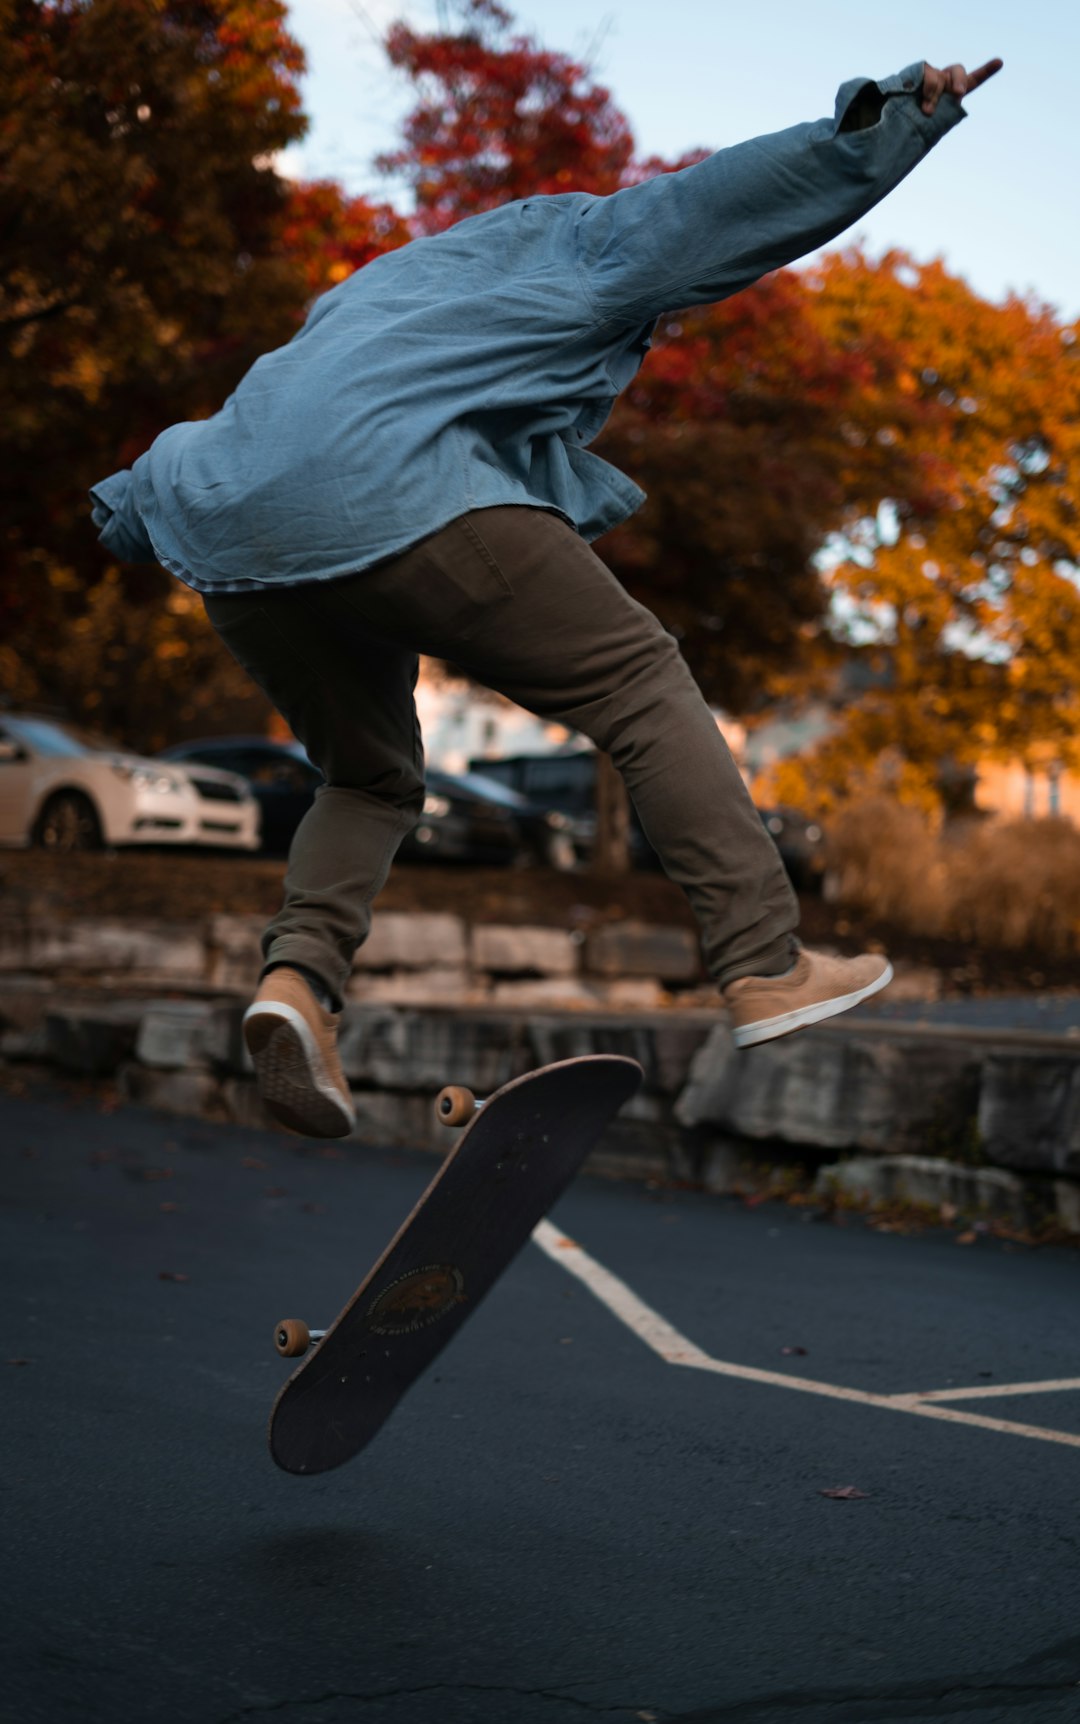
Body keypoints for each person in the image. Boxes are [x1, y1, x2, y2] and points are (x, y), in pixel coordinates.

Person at [90, 56, 1002, 1138]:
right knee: (640, 680)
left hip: (220, 520)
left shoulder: (376, 291)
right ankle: (765, 963)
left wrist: (137, 512)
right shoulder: (579, 241)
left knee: (372, 777)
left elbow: (168, 482)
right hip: (394, 486)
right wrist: (896, 122)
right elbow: (727, 203)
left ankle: (295, 984)